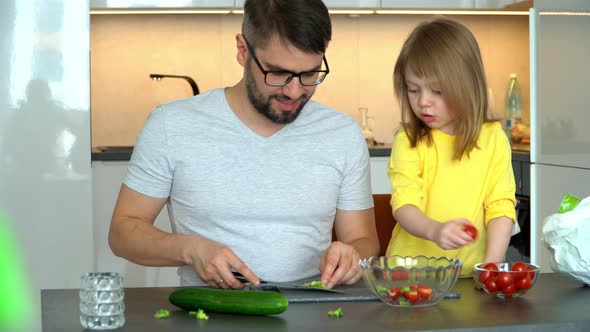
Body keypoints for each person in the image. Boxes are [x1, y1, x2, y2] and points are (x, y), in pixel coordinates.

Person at [108, 0, 379, 289]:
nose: (294, 91)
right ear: (242, 50)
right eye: (277, 73)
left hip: (315, 311)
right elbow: (123, 233)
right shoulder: (171, 125)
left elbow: (363, 240)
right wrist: (189, 249)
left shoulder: (342, 133)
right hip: (209, 314)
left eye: (310, 74)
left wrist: (352, 256)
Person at [385, 17, 517, 277]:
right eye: (413, 89)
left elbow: (500, 206)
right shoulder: (409, 140)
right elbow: (404, 205)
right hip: (411, 275)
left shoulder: (493, 138)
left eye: (437, 90)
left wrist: (491, 264)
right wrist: (435, 231)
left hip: (468, 275)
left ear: (467, 87)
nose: (423, 102)